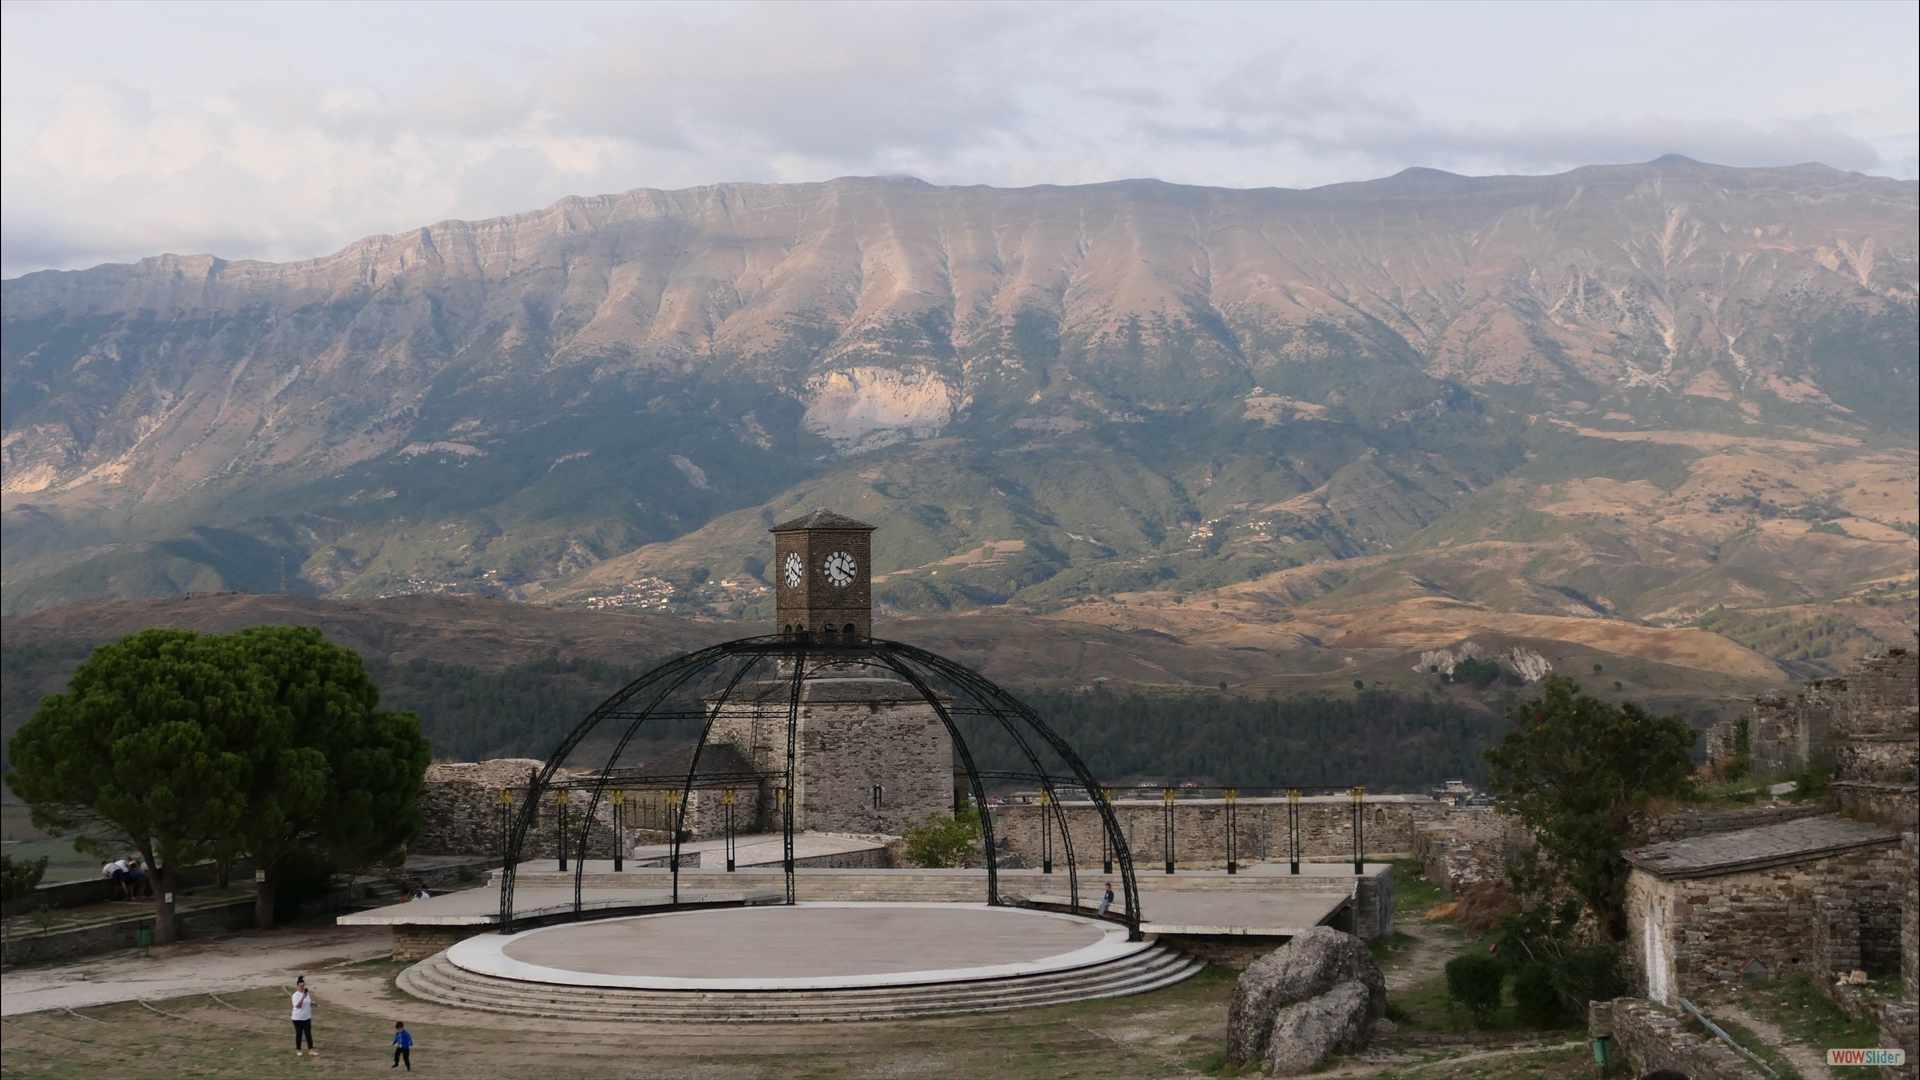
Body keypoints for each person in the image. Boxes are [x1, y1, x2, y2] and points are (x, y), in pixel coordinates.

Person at [291, 976, 316, 1056]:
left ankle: (311, 1050)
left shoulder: (307, 994)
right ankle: (298, 1050)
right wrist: (303, 997)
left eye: (303, 986)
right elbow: (298, 1006)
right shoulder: (295, 995)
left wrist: (312, 1004)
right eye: (300, 986)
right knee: (299, 1034)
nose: (302, 988)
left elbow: (308, 1002)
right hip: (298, 1018)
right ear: (297, 986)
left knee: (308, 1033)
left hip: (307, 1017)